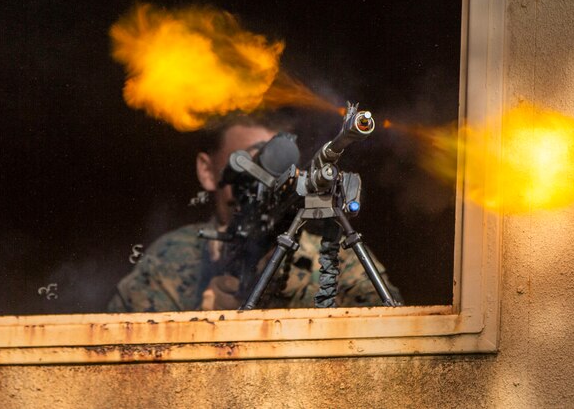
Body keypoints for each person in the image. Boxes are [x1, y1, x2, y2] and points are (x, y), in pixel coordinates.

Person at [107, 113, 401, 312]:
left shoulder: (334, 258)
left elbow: (399, 339)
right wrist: (201, 326)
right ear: (208, 170)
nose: (268, 179)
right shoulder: (169, 262)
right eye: (251, 163)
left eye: (280, 170)